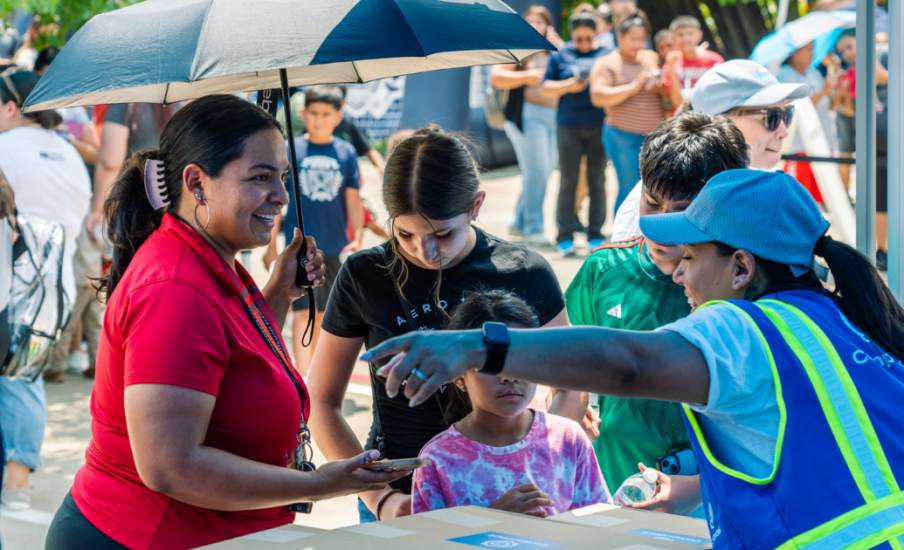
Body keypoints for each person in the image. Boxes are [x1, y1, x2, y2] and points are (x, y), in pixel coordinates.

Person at [368, 168, 904, 549]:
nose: (678, 274)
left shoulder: (745, 326)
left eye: (691, 258)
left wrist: (477, 346)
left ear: (741, 268)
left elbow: (628, 362)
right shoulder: (851, 319)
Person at [43, 95, 405, 550]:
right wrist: (323, 484)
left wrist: (277, 292)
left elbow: (236, 363)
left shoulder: (208, 258)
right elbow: (171, 466)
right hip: (142, 537)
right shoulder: (174, 288)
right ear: (196, 182)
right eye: (260, 178)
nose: (281, 196)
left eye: (282, 177)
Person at [307, 126, 587, 524]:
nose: (424, 251)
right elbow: (320, 401)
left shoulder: (523, 271)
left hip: (510, 491)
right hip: (400, 500)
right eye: (404, 233)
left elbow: (572, 379)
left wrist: (542, 459)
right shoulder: (365, 274)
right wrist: (379, 498)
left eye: (442, 233)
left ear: (476, 205)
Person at [565, 112, 748, 497]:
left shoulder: (746, 288)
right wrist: (571, 404)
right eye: (651, 203)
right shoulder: (604, 269)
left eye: (681, 211)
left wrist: (694, 490)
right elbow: (567, 365)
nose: (660, 224)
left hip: (715, 501)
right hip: (611, 492)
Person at [412, 290, 610, 517]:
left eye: (522, 357)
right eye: (491, 362)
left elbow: (600, 526)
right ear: (458, 374)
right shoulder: (437, 460)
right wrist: (492, 520)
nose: (510, 376)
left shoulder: (568, 438)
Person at [0, 68, 91, 510]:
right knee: (25, 377)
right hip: (52, 292)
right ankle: (17, 485)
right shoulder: (70, 154)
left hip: (7, 282)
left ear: (12, 107)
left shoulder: (4, 146)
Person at [611, 59, 809, 241]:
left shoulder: (763, 181)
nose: (783, 130)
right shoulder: (661, 195)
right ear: (717, 122)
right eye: (772, 117)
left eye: (786, 114)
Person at [265, 85, 363, 377]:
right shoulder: (289, 150)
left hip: (334, 247)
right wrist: (272, 246)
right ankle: (301, 374)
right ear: (303, 114)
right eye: (314, 113)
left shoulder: (346, 152)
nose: (319, 119)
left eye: (326, 114)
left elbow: (353, 200)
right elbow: (277, 201)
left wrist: (357, 236)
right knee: (300, 309)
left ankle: (316, 375)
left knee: (324, 314)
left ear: (338, 116)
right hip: (298, 246)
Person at [540, 12, 611, 256]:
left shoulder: (605, 54)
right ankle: (565, 236)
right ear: (572, 35)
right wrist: (569, 85)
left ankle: (595, 234)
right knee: (568, 180)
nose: (582, 43)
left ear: (595, 35)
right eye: (578, 38)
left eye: (588, 38)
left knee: (597, 180)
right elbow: (545, 86)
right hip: (568, 124)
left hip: (599, 124)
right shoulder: (560, 53)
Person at [490, 6, 559, 248]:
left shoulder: (555, 49)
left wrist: (560, 47)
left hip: (554, 117)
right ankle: (533, 228)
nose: (534, 25)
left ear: (548, 26)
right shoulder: (519, 47)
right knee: (539, 172)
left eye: (539, 22)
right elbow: (496, 77)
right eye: (529, 21)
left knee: (542, 171)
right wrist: (526, 77)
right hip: (526, 117)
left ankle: (518, 221)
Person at [591, 14, 664, 213]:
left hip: (653, 137)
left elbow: (657, 80)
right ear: (619, 37)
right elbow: (598, 96)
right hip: (621, 134)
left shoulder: (649, 57)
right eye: (633, 39)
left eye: (641, 39)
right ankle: (623, 239)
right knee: (629, 188)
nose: (637, 44)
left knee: (654, 189)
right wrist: (632, 88)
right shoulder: (606, 62)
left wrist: (657, 81)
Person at [86, 102, 177, 241]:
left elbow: (110, 163)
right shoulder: (175, 105)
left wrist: (99, 210)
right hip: (167, 205)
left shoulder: (125, 106)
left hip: (130, 206)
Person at [776, 41, 839, 203]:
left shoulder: (814, 73)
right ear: (794, 52)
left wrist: (839, 89)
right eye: (808, 49)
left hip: (823, 142)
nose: (812, 53)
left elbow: (829, 105)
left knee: (822, 200)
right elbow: (795, 108)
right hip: (798, 146)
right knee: (799, 198)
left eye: (813, 49)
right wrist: (825, 90)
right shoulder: (784, 75)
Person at [661, 16, 724, 116]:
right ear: (673, 38)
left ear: (699, 35)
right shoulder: (671, 64)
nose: (686, 39)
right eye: (680, 35)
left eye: (690, 34)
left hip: (710, 117)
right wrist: (671, 68)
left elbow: (721, 94)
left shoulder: (713, 60)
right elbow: (677, 102)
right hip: (683, 120)